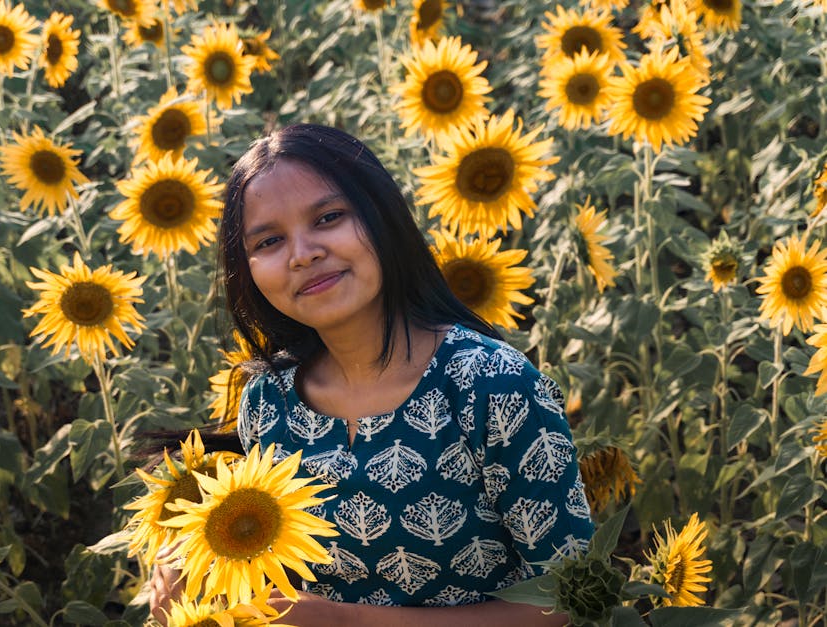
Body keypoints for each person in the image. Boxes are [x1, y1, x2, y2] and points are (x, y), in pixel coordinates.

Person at [150, 124, 594, 626]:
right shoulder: (269, 404)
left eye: (329, 217)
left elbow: (570, 599)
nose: (303, 253)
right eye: (269, 240)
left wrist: (349, 621)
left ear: (382, 218)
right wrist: (199, 575)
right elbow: (282, 591)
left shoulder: (492, 386)